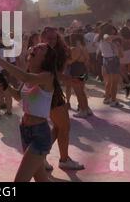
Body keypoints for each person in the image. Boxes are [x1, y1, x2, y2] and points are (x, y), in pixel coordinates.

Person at [0, 43, 60, 181]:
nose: (35, 48)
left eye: (41, 48)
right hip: (25, 130)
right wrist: (5, 86)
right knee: (40, 177)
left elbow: (26, 77)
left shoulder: (47, 76)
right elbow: (17, 96)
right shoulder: (29, 73)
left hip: (40, 133)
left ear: (46, 58)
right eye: (36, 46)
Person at [41, 27, 84, 170]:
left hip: (52, 91)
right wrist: (69, 79)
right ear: (43, 39)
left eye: (54, 38)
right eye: (49, 38)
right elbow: (52, 74)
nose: (52, 41)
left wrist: (68, 78)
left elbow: (56, 73)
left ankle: (42, 157)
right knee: (64, 127)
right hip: (48, 92)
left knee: (58, 127)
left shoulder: (55, 53)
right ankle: (62, 160)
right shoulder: (41, 53)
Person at [68, 33, 92, 118]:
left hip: (76, 69)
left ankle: (82, 110)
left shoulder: (73, 49)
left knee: (78, 92)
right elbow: (87, 59)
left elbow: (70, 61)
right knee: (82, 91)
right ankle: (87, 109)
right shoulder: (84, 48)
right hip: (83, 68)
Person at [99, 23, 123, 108]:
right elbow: (107, 37)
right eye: (112, 29)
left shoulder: (102, 38)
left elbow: (120, 54)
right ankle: (113, 101)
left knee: (109, 82)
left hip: (106, 59)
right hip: (112, 60)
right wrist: (118, 37)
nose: (114, 30)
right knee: (114, 82)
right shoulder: (106, 36)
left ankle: (107, 98)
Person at [119, 26, 130, 97]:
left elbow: (120, 46)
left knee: (122, 70)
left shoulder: (121, 37)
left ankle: (127, 82)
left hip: (124, 54)